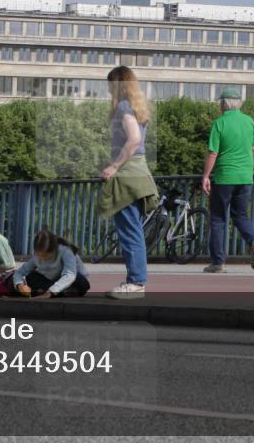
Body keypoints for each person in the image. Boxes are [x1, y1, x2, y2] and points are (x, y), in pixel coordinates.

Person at [97, 66, 158, 300]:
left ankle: (135, 282)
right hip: (139, 171)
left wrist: (114, 166)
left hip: (127, 173)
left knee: (129, 230)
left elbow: (133, 140)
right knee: (134, 230)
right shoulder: (138, 108)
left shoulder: (123, 106)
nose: (108, 89)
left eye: (110, 84)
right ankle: (136, 280)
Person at [201, 88, 254, 272]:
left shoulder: (219, 123)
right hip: (245, 177)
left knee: (218, 219)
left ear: (223, 103)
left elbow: (213, 152)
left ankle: (218, 263)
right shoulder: (249, 121)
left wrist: (205, 176)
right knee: (240, 216)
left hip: (224, 177)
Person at [13, 229, 90, 298]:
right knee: (32, 277)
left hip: (73, 281)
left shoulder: (66, 251)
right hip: (52, 281)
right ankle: (59, 293)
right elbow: (19, 272)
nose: (42, 259)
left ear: (54, 250)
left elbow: (70, 275)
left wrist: (51, 291)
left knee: (80, 282)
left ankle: (58, 292)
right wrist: (20, 285)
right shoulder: (37, 256)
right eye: (39, 255)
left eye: (45, 256)